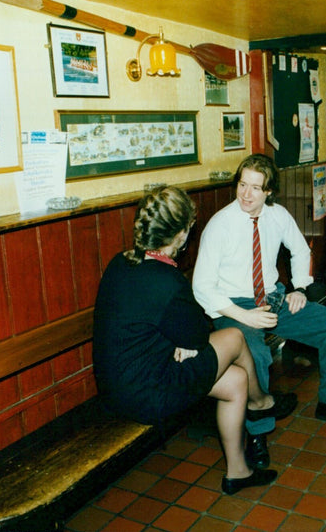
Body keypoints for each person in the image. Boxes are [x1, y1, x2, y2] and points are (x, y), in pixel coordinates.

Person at [93, 185, 282, 495]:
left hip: (118, 386)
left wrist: (186, 340)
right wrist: (187, 340)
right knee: (234, 336)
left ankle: (238, 472)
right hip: (147, 392)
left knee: (235, 380)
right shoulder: (166, 279)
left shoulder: (121, 263)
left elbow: (175, 331)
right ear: (181, 235)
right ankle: (260, 402)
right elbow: (197, 334)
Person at [193, 154, 326, 470]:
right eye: (242, 185)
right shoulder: (220, 225)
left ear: (269, 192)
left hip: (273, 299)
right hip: (232, 305)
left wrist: (299, 289)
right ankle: (258, 435)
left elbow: (300, 251)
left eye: (255, 188)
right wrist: (244, 315)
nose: (246, 195)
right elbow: (202, 287)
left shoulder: (277, 215)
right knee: (257, 353)